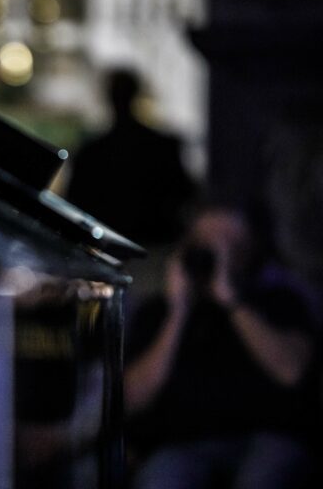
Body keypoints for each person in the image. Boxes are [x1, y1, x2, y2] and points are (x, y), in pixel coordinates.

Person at [124, 206, 317, 489]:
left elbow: (291, 371)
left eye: (228, 241)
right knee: (163, 478)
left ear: (250, 249)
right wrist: (178, 312)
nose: (215, 250)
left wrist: (231, 300)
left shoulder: (280, 301)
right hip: (181, 445)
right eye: (206, 239)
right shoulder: (158, 311)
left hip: (266, 439)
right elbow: (131, 397)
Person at [67, 67, 196, 246]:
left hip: (111, 244)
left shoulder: (92, 152)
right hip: (156, 245)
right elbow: (184, 192)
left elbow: (75, 201)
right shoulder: (162, 145)